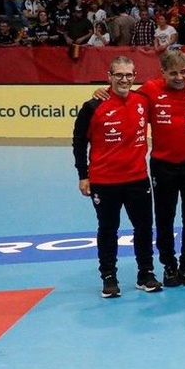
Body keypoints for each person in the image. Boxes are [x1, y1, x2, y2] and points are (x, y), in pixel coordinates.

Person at [72, 56, 159, 297]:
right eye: (118, 75)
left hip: (137, 178)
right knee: (108, 229)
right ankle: (109, 277)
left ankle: (146, 273)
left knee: (143, 227)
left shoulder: (143, 100)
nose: (124, 79)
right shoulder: (93, 106)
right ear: (109, 76)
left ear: (135, 76)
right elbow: (79, 142)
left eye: (129, 75)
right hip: (104, 181)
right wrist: (83, 175)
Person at [133, 49, 185, 288]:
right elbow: (125, 100)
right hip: (163, 164)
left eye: (184, 72)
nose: (179, 77)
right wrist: (102, 93)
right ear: (162, 72)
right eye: (173, 73)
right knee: (164, 217)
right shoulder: (150, 89)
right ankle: (168, 264)